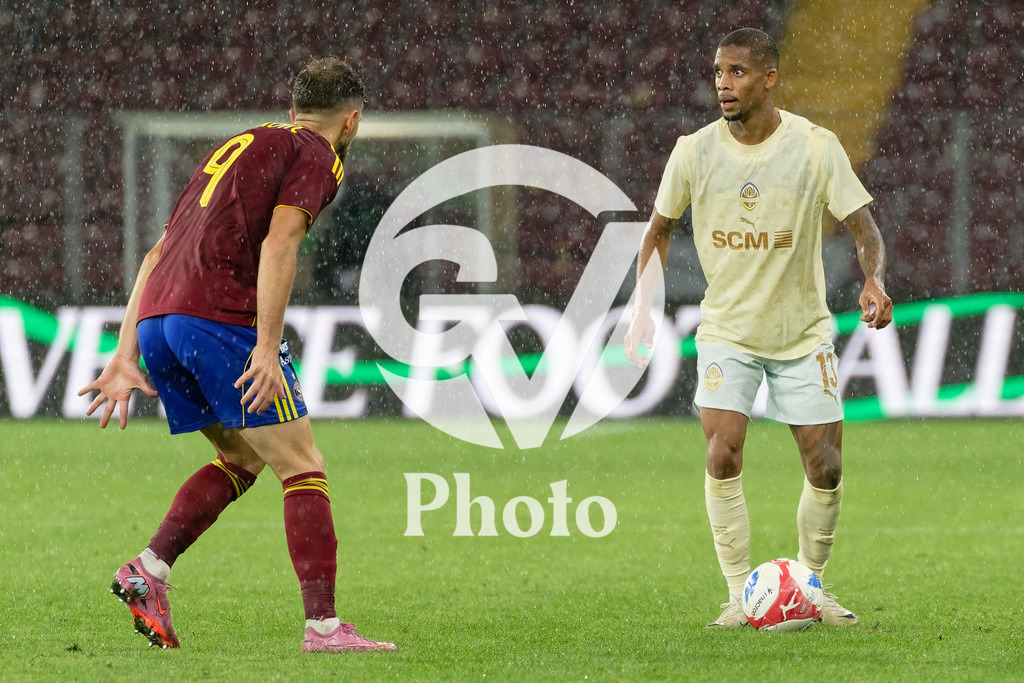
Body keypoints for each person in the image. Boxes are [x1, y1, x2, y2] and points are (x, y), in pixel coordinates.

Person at [79, 56, 396, 652]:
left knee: (243, 456)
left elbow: (155, 253)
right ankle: (324, 628)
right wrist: (266, 348)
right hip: (217, 319)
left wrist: (125, 353)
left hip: (159, 322)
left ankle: (148, 569)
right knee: (302, 466)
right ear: (350, 121)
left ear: (293, 108)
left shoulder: (238, 145)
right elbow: (280, 244)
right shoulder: (318, 154)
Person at [625, 28, 893, 628]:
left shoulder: (816, 148)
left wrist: (874, 280)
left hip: (802, 333)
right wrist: (643, 307)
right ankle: (735, 595)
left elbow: (866, 229)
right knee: (722, 454)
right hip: (728, 332)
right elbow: (658, 231)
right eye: (719, 72)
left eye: (738, 73)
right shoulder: (693, 151)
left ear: (769, 79)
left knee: (825, 466)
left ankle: (812, 586)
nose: (724, 84)